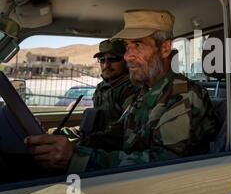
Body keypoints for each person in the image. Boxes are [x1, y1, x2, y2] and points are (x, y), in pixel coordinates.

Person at [25, 10, 219, 173]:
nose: (128, 56)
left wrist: (77, 158)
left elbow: (163, 162)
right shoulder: (145, 91)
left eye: (138, 45)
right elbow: (119, 133)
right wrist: (74, 142)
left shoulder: (184, 95)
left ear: (166, 48)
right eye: (127, 47)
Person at [51, 40, 139, 140]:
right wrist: (68, 132)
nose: (106, 65)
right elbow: (98, 125)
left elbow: (123, 133)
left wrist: (84, 141)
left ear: (126, 60)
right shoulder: (102, 87)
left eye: (113, 59)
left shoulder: (131, 89)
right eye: (102, 60)